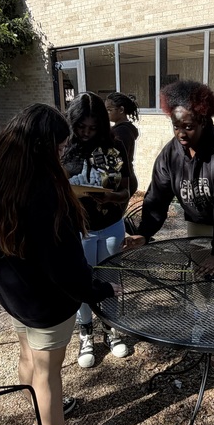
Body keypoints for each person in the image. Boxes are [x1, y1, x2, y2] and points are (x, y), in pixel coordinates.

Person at [0, 103, 119, 425]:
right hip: (45, 301)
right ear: (43, 147)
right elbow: (66, 267)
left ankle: (38, 410)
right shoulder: (46, 195)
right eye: (61, 147)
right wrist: (100, 288)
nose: (64, 152)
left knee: (28, 355)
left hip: (13, 294)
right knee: (49, 370)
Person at [123, 80, 214, 277]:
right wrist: (145, 233)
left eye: (188, 126)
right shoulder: (169, 155)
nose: (180, 133)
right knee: (200, 271)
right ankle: (202, 308)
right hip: (198, 216)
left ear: (203, 121)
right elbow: (156, 198)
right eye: (176, 126)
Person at [61, 92, 133, 368]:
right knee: (84, 282)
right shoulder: (64, 148)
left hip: (111, 224)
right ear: (72, 123)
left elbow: (127, 188)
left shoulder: (115, 148)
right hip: (79, 229)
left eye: (93, 128)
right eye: (81, 127)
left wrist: (111, 197)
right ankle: (86, 332)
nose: (87, 133)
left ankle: (111, 329)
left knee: (111, 280)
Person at [105, 92, 140, 196]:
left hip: (122, 180)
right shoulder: (122, 129)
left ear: (121, 110)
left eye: (109, 110)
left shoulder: (122, 132)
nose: (107, 113)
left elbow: (119, 160)